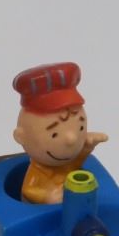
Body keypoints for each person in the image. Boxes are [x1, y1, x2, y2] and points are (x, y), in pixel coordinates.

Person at [12, 62, 108, 204]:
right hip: (42, 212)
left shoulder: (65, 163)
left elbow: (75, 165)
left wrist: (87, 147)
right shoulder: (38, 171)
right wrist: (47, 197)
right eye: (54, 134)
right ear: (21, 137)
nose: (72, 138)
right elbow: (29, 190)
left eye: (80, 127)